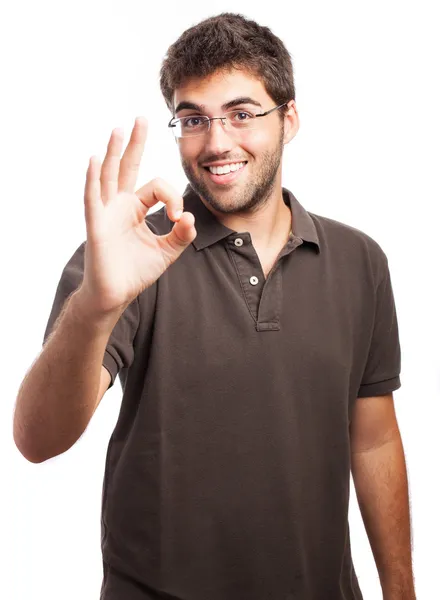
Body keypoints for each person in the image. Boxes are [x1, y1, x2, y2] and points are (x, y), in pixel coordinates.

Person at [13, 12, 416, 600]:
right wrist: (98, 304)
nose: (217, 142)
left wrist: (400, 590)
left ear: (290, 118)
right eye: (194, 119)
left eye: (242, 113)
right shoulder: (130, 257)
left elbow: (374, 438)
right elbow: (38, 438)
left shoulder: (359, 261)